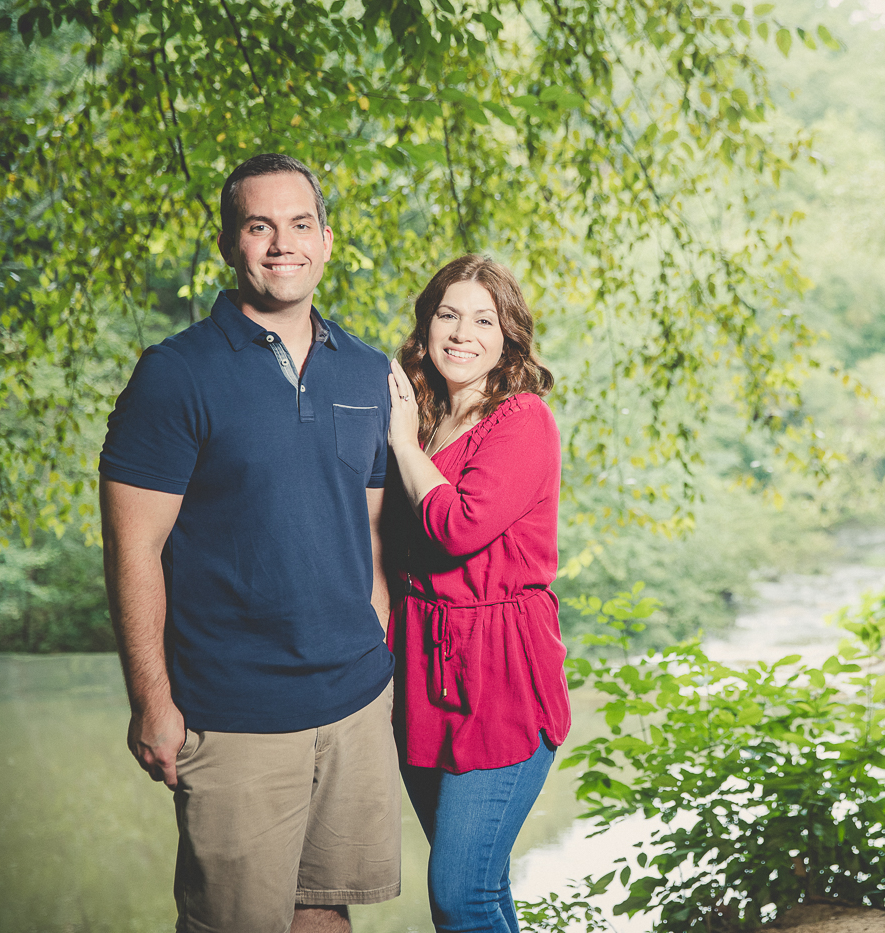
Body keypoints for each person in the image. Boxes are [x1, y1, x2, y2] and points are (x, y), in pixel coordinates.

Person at [99, 153, 401, 933]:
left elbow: (369, 534)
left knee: (327, 911)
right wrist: (151, 702)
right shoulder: (174, 375)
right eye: (259, 226)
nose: (282, 244)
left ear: (327, 241)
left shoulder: (369, 372)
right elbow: (133, 551)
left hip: (355, 707)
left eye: (300, 225)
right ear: (231, 243)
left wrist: (378, 649)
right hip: (233, 718)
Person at [385, 254, 571, 933]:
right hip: (422, 676)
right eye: (449, 314)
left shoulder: (521, 420)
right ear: (427, 325)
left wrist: (403, 447)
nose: (463, 333)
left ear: (508, 336)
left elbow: (458, 526)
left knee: (459, 896)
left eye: (483, 319)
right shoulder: (424, 416)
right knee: (482, 889)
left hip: (502, 678)